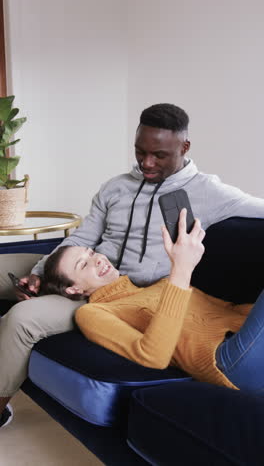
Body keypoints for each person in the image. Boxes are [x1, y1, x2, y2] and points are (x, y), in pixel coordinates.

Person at [1, 103, 264, 427]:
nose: (146, 163)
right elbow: (84, 236)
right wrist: (42, 272)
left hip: (115, 290)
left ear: (184, 148)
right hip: (78, 270)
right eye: (140, 152)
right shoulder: (116, 187)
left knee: (23, 317)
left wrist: (180, 267)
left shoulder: (209, 191)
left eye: (159, 155)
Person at [42, 209, 264, 395]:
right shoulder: (92, 313)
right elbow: (152, 357)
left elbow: (230, 310)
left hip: (252, 341)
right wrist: (181, 270)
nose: (97, 259)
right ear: (75, 289)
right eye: (83, 265)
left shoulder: (159, 286)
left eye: (91, 253)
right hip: (227, 360)